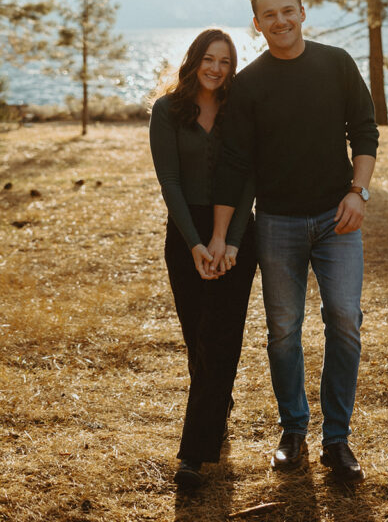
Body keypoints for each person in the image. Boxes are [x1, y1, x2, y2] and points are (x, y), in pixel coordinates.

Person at [211, 0, 378, 485]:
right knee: (284, 332)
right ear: (256, 24)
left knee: (345, 320)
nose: (280, 21)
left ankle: (337, 441)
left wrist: (359, 191)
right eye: (269, 15)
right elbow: (234, 167)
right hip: (278, 224)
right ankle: (293, 433)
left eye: (289, 10)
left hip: (337, 219)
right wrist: (221, 236)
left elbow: (365, 130)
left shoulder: (337, 64)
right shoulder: (250, 85)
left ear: (302, 12)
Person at [149, 28, 256, 489]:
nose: (216, 68)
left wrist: (229, 241)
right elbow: (170, 183)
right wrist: (195, 243)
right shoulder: (167, 111)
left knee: (221, 337)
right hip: (185, 233)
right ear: (194, 60)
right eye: (209, 59)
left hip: (236, 233)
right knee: (198, 338)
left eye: (226, 62)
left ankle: (193, 455)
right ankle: (216, 406)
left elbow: (250, 177)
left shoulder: (239, 111)